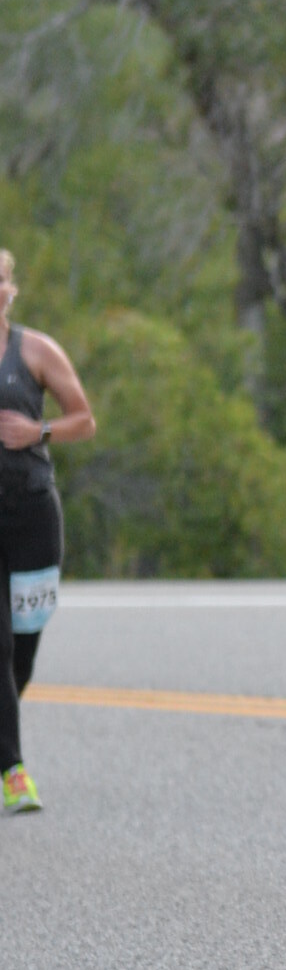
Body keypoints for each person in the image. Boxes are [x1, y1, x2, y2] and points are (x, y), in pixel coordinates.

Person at [0, 250, 95, 814]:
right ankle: (13, 771)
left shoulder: (35, 351)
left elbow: (84, 419)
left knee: (23, 652)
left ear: (10, 290)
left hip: (33, 514)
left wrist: (37, 431)